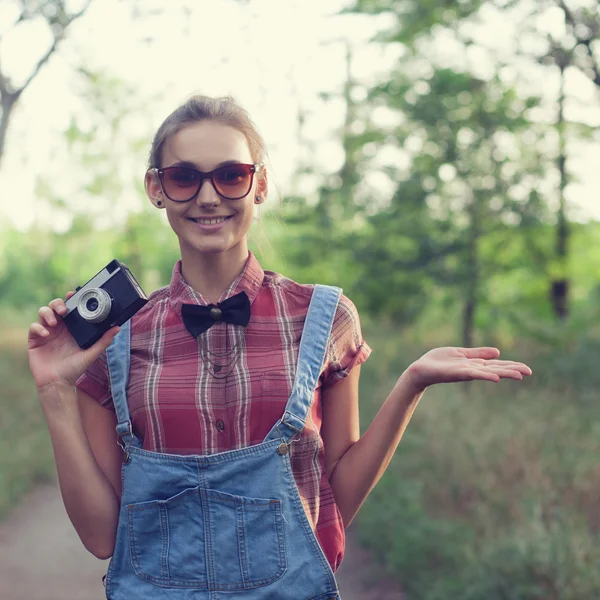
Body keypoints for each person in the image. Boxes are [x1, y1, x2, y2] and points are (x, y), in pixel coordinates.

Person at [27, 95, 532, 600]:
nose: (208, 197)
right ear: (157, 189)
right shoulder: (119, 337)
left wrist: (410, 385)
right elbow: (100, 536)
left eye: (231, 175)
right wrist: (54, 390)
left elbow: (334, 504)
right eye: (185, 177)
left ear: (260, 184)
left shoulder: (324, 318)